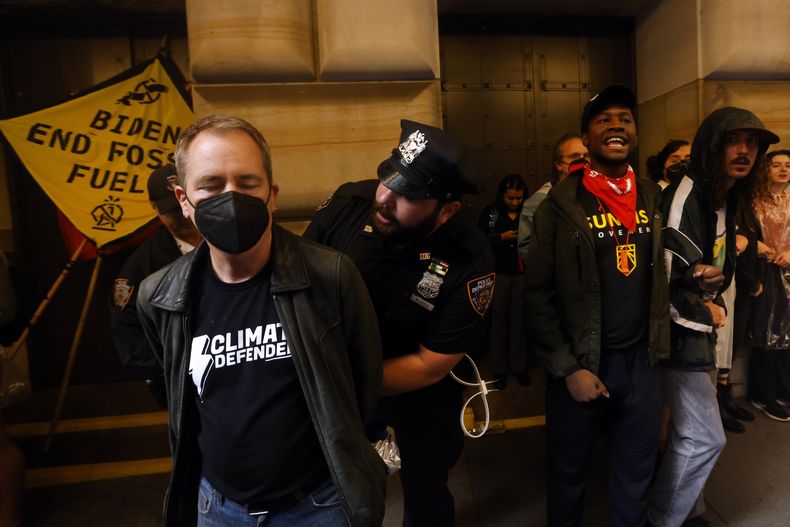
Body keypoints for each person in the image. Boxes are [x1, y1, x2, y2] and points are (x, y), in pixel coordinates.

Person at [137, 115, 387, 527]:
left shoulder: (330, 276)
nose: (231, 197)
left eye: (247, 183)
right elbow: (178, 393)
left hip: (319, 506)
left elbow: (362, 381)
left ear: (271, 194)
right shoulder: (159, 296)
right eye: (211, 186)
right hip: (216, 510)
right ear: (184, 199)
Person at [304, 119, 495, 527]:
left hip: (417, 386)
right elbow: (298, 289)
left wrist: (347, 381)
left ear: (447, 210)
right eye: (387, 179)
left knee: (427, 490)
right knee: (332, 492)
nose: (385, 199)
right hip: (339, 378)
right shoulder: (348, 204)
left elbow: (432, 364)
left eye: (407, 193)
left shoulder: (470, 257)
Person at [524, 85, 670, 526]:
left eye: (624, 118)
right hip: (584, 363)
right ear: (586, 139)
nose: (616, 126)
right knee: (568, 476)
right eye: (603, 120)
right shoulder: (560, 206)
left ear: (635, 135)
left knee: (635, 474)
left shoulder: (652, 197)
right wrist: (569, 368)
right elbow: (538, 294)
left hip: (642, 362)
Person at [648, 107, 779, 527]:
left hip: (700, 327)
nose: (745, 151)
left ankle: (691, 512)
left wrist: (711, 297)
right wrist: (704, 305)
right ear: (712, 145)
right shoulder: (686, 196)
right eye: (734, 141)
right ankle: (663, 518)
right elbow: (667, 278)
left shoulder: (726, 196)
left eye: (753, 143)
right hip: (679, 332)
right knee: (705, 436)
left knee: (690, 436)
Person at [110, 163, 202, 407]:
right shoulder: (140, 268)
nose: (181, 215)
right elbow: (128, 337)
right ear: (154, 208)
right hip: (177, 385)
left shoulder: (230, 242)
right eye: (171, 211)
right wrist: (175, 368)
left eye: (184, 204)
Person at [746, 149, 790, 421]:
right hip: (765, 273)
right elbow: (742, 234)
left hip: (789, 270)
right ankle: (763, 394)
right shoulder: (753, 201)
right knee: (766, 335)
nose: (784, 170)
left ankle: (784, 391)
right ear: (766, 169)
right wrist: (756, 245)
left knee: (787, 338)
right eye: (777, 165)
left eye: (788, 165)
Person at [477, 174, 529, 389]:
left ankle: (519, 367)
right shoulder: (491, 212)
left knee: (520, 323)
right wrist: (501, 238)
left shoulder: (529, 212)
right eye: (510, 198)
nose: (515, 202)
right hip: (498, 274)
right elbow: (478, 240)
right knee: (498, 323)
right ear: (502, 195)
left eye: (518, 198)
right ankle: (498, 370)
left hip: (523, 273)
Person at [517, 132, 588, 258]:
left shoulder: (595, 195)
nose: (583, 160)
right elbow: (527, 250)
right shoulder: (539, 202)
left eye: (587, 155)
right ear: (559, 165)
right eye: (574, 156)